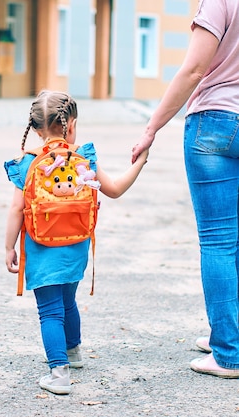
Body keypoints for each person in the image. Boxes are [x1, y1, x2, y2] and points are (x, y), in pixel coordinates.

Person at [4, 90, 149, 395]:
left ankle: (59, 375)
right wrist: (140, 163)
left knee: (50, 311)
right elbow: (115, 189)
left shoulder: (28, 164)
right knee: (67, 301)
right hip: (76, 245)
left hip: (42, 249)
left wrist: (9, 247)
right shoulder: (84, 159)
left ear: (36, 127)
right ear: (70, 125)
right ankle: (74, 353)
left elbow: (17, 209)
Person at [131, 2, 239, 379]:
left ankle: (229, 353)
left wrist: (151, 127)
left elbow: (194, 69)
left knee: (220, 240)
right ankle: (230, 335)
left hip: (215, 122)